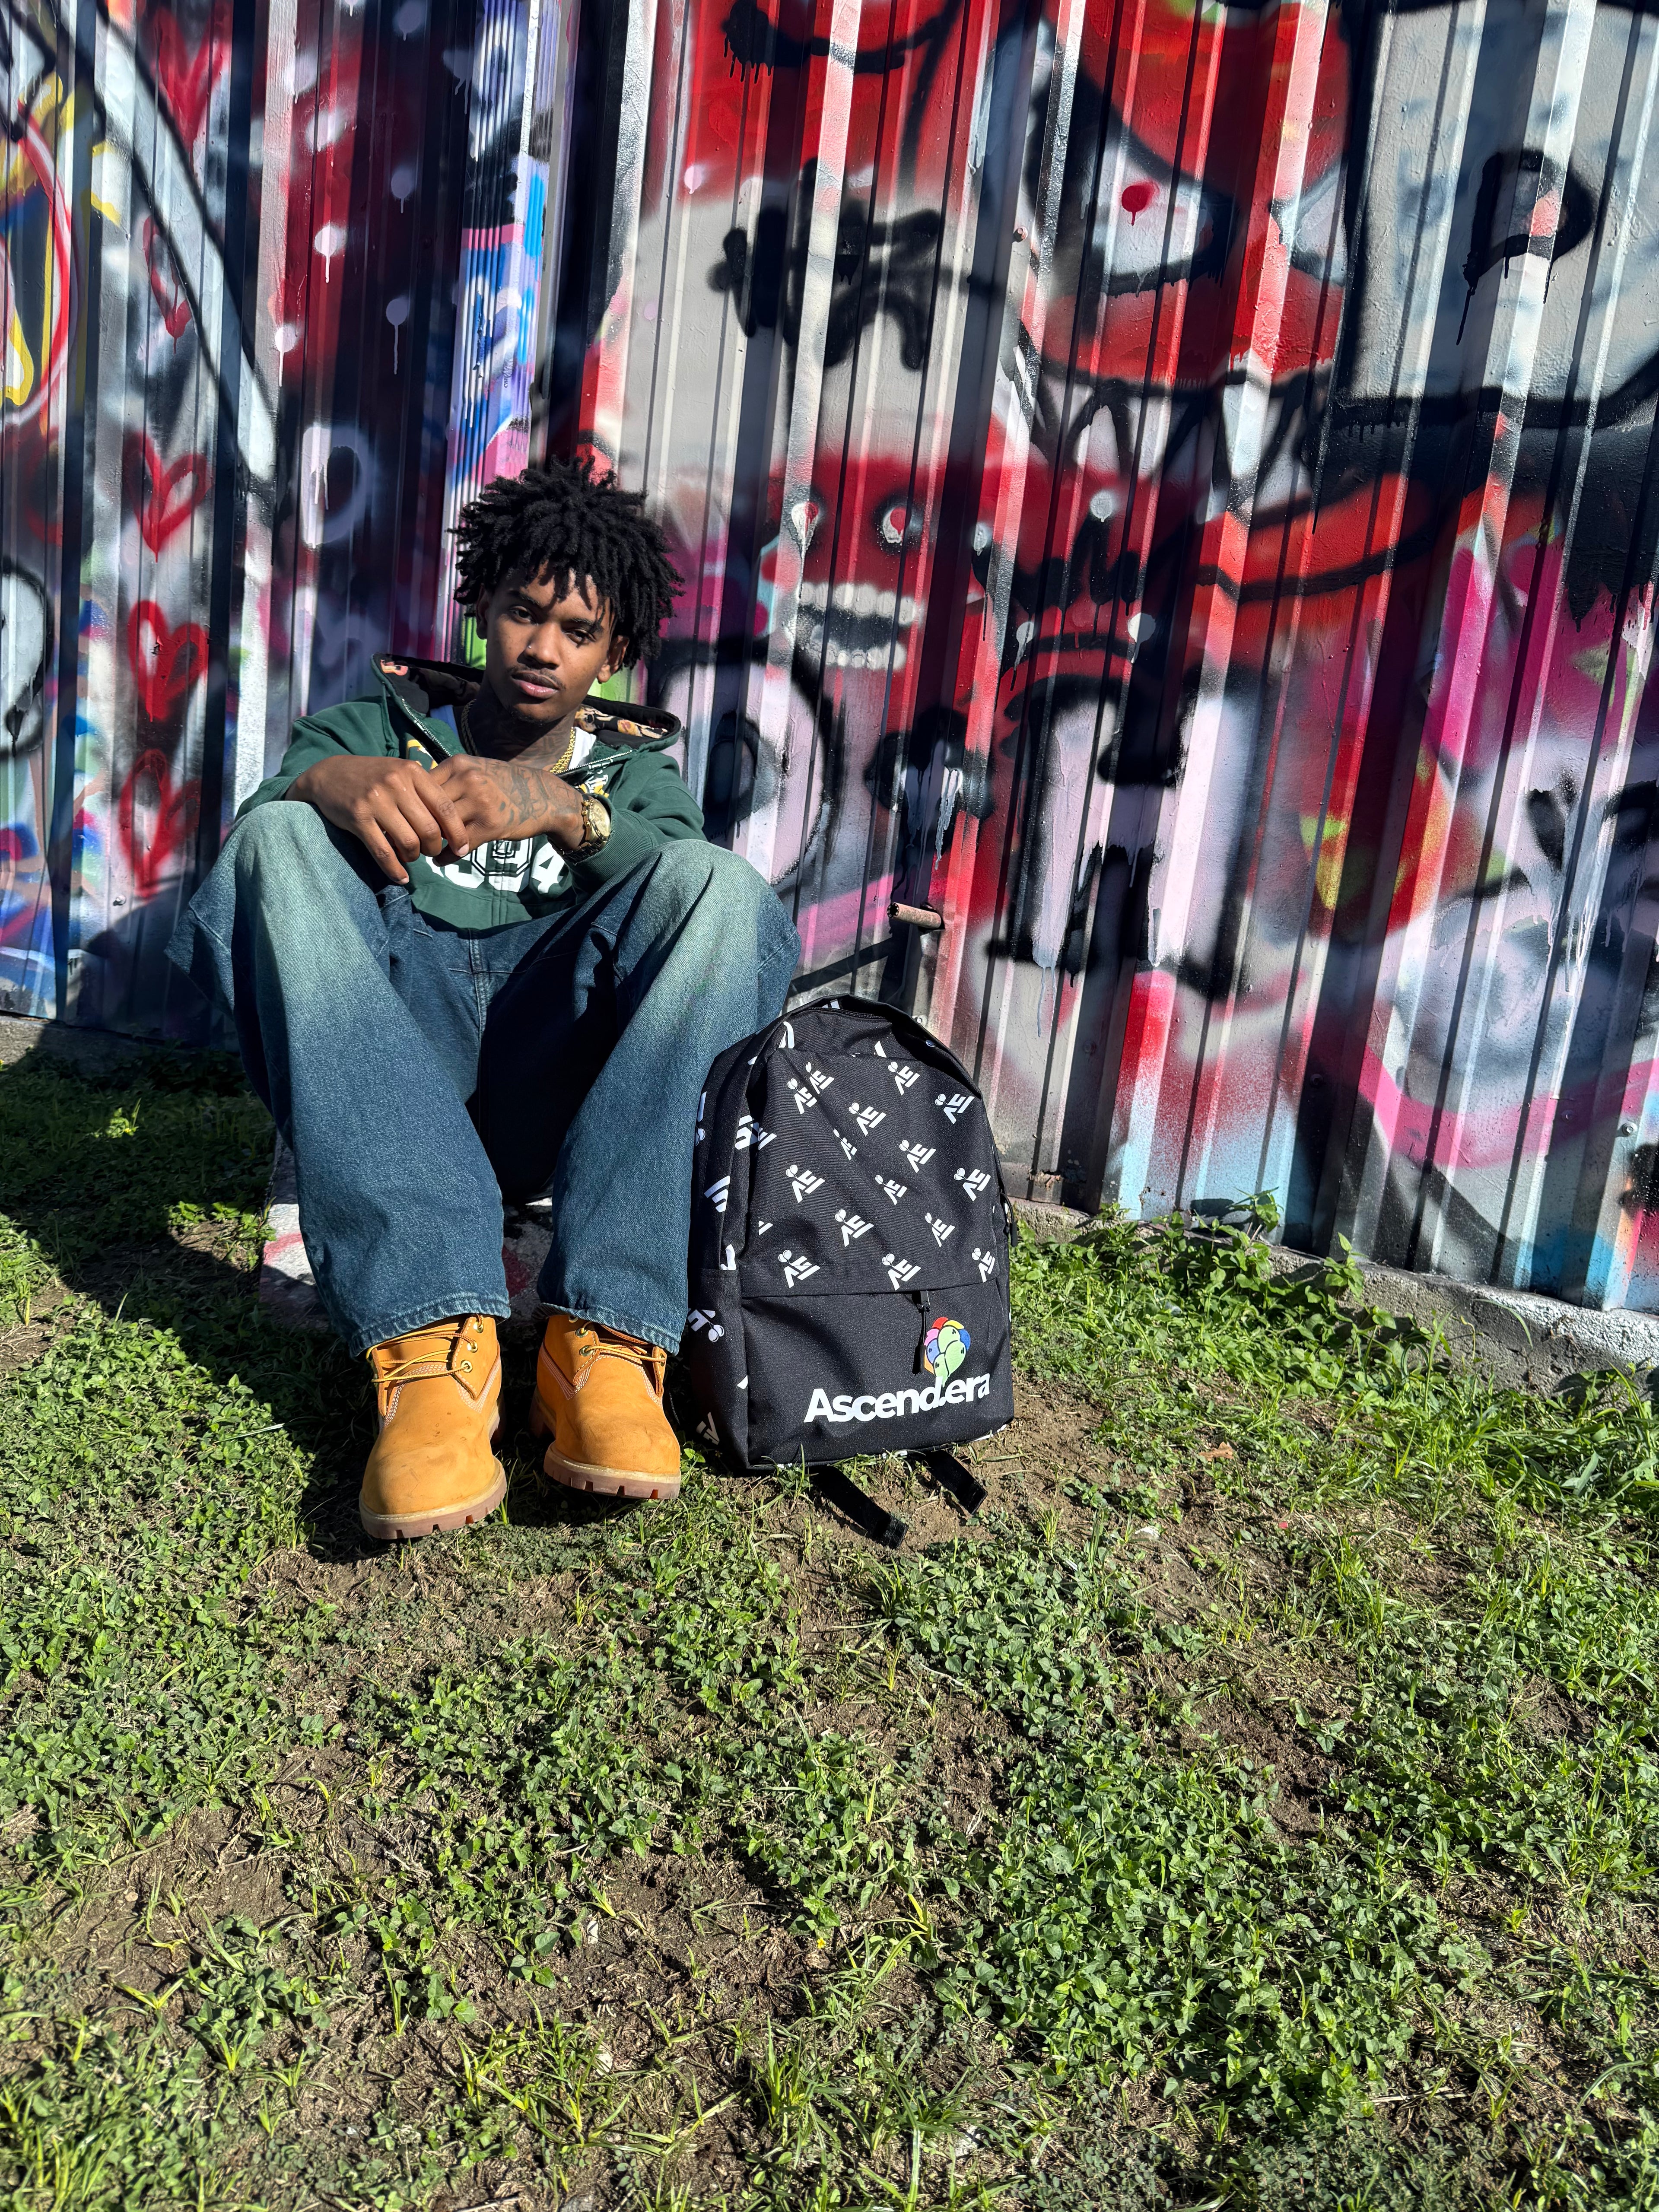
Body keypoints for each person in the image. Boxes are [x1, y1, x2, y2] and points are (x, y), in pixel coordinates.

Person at [169, 460, 799, 1540]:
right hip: (391, 1080)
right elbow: (264, 840)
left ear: (615, 654)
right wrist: (328, 785)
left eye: (578, 630)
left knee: (727, 892)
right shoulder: (378, 721)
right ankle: (433, 1357)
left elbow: (688, 884)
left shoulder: (632, 771)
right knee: (274, 838)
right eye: (523, 612)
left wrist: (564, 810)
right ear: (482, 609)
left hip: (552, 1093)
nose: (544, 647)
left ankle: (599, 1343)